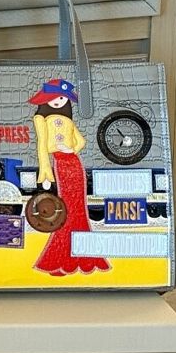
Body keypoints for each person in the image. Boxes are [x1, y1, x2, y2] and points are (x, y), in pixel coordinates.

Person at [29, 79, 110, 277]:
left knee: (78, 208)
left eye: (62, 98)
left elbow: (81, 141)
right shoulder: (40, 119)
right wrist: (45, 172)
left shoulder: (69, 121)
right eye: (55, 97)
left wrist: (70, 149)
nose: (58, 101)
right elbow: (41, 146)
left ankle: (80, 257)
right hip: (59, 164)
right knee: (66, 208)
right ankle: (63, 258)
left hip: (74, 164)